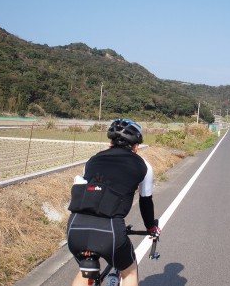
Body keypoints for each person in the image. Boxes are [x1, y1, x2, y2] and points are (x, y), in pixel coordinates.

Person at [66, 118, 161, 286]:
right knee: (129, 272)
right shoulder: (144, 165)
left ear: (110, 141)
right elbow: (145, 201)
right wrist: (151, 228)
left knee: (85, 271)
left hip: (75, 227)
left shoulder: (92, 160)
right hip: (109, 230)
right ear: (136, 146)